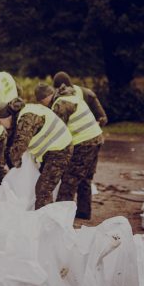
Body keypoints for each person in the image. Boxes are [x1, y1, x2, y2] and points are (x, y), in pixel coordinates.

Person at [36, 82, 103, 219]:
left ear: (46, 97)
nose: (45, 105)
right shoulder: (71, 96)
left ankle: (61, 218)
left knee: (69, 180)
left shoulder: (60, 105)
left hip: (84, 143)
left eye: (43, 102)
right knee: (84, 179)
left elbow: (56, 132)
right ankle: (83, 213)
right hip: (96, 139)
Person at [0, 97, 73, 209]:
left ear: (8, 116)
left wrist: (15, 164)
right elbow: (12, 143)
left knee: (43, 189)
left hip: (60, 149)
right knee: (41, 184)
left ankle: (43, 222)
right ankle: (45, 215)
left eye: (0, 121)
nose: (0, 125)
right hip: (51, 151)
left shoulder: (26, 118)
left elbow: (20, 145)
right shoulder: (19, 116)